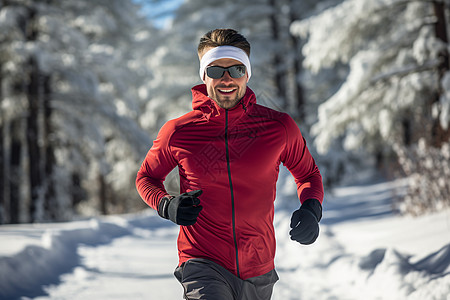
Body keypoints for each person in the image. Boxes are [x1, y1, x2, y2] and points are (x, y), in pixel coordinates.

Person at [136, 28, 324, 300]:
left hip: (258, 265)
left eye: (236, 70)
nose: (226, 79)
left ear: (247, 74)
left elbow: (308, 172)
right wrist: (166, 204)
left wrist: (311, 208)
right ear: (203, 76)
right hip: (201, 261)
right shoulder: (178, 132)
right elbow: (146, 178)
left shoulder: (278, 127)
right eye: (215, 70)